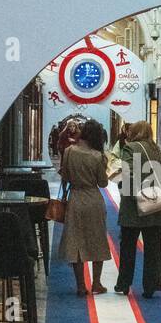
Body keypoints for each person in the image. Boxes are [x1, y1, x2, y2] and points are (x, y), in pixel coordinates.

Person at [114, 120, 161, 298]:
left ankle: (124, 284)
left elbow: (127, 173)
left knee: (128, 247)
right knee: (153, 250)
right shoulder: (157, 150)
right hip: (155, 205)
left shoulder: (131, 148)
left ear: (134, 132)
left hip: (133, 206)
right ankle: (150, 286)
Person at [58, 120, 111, 296]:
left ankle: (80, 285)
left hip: (75, 199)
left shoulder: (68, 151)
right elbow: (102, 183)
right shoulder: (97, 156)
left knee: (76, 241)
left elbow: (65, 176)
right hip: (93, 200)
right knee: (97, 240)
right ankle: (97, 283)